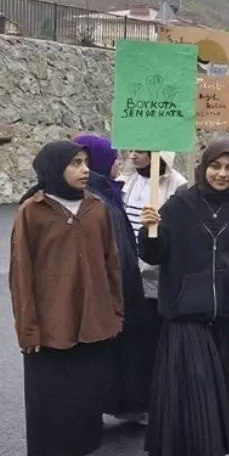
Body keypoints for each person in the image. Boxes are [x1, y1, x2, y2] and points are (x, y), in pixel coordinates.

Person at [139, 139, 229, 456]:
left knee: (220, 386)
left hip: (228, 314)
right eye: (215, 166)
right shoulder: (178, 205)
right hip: (185, 312)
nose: (222, 174)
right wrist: (148, 230)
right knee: (200, 383)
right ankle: (222, 453)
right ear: (203, 167)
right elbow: (154, 256)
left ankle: (202, 451)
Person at [9, 140, 124, 456]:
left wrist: (115, 311)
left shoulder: (96, 208)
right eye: (75, 163)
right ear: (54, 167)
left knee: (84, 393)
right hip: (48, 323)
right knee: (46, 393)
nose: (85, 169)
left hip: (91, 318)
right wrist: (28, 329)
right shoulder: (33, 211)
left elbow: (111, 264)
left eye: (86, 162)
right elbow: (21, 274)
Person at [72, 135, 149, 428]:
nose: (119, 161)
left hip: (122, 280)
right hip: (112, 286)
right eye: (113, 157)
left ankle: (123, 403)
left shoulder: (106, 192)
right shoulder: (94, 199)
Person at [118, 150, 184, 424]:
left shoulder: (177, 186)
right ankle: (131, 401)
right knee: (131, 343)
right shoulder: (126, 181)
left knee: (153, 342)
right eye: (131, 149)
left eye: (141, 152)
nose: (133, 155)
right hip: (128, 272)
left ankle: (157, 401)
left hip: (154, 277)